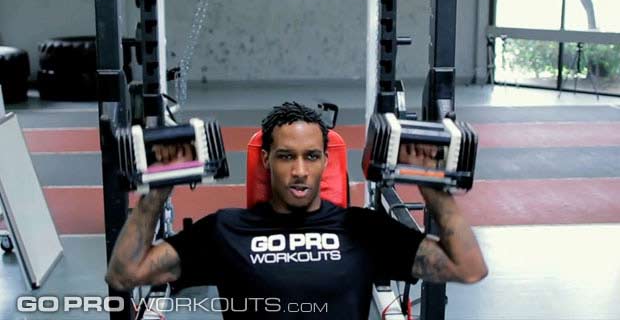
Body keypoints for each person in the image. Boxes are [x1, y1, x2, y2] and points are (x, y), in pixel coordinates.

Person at [105, 102, 487, 319]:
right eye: (287, 157)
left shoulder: (365, 229)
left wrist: (433, 187)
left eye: (312, 157)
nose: (300, 171)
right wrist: (156, 192)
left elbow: (468, 268)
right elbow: (125, 275)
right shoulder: (224, 230)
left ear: (326, 161)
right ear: (266, 160)